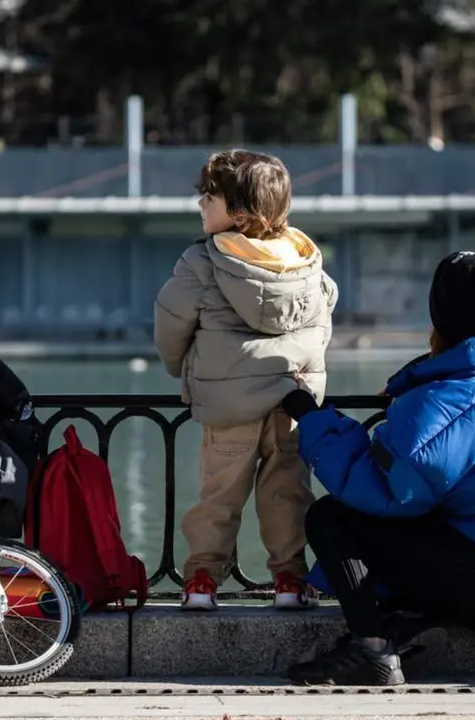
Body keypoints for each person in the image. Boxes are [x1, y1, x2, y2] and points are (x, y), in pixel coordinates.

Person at [280, 252, 475, 686]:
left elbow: (377, 489)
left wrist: (312, 416)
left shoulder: (437, 406)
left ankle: (372, 648)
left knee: (331, 519)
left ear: (438, 316)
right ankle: (408, 621)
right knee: (446, 513)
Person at [154, 149, 338, 611]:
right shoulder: (304, 260)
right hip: (292, 403)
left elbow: (170, 323)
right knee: (286, 493)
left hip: (228, 403)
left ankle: (200, 580)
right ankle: (290, 583)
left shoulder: (203, 261)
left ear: (237, 212)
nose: (200, 205)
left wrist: (185, 370)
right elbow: (325, 309)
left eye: (207, 198)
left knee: (218, 494)